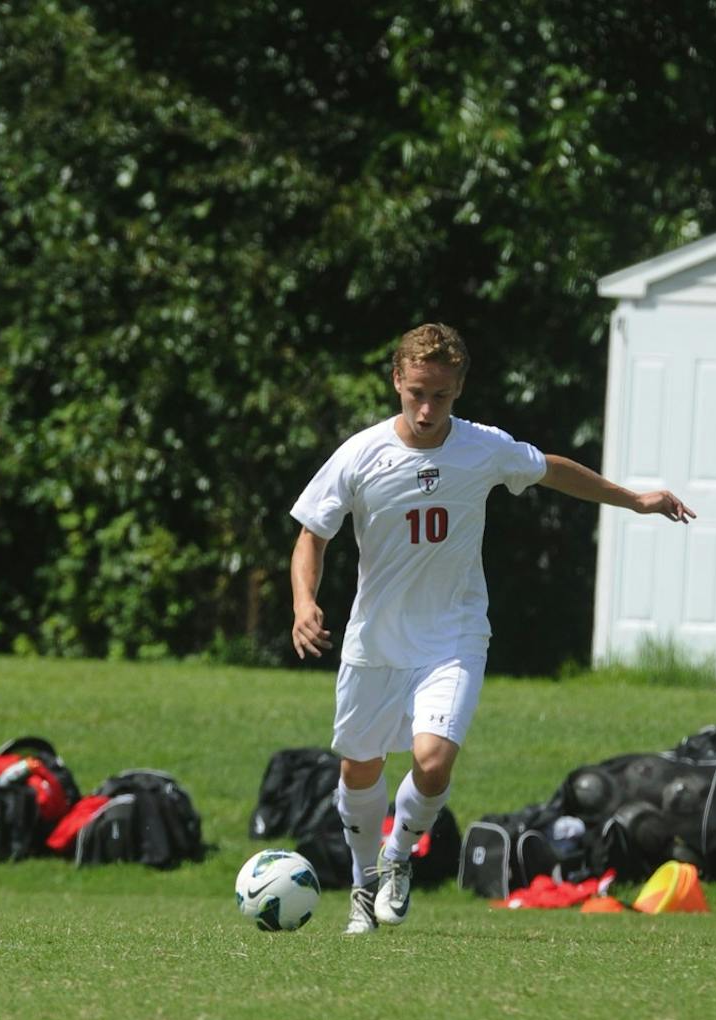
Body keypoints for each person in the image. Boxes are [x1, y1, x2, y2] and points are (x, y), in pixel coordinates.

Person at [289, 322, 694, 934]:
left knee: (431, 759)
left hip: (453, 636)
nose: (428, 410)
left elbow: (552, 469)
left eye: (442, 397)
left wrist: (634, 500)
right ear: (397, 380)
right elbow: (311, 536)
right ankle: (361, 883)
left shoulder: (483, 448)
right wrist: (303, 602)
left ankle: (398, 858)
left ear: (460, 391)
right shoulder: (360, 453)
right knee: (359, 773)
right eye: (417, 392)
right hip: (375, 640)